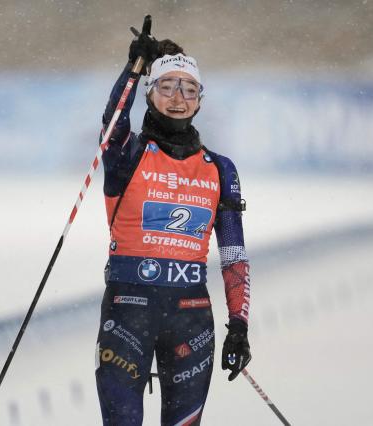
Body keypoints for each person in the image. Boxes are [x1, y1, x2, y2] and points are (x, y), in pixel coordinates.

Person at [94, 27, 251, 426]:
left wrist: (239, 325)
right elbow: (112, 122)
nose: (178, 99)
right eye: (167, 86)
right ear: (149, 92)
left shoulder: (220, 169)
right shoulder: (127, 153)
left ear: (200, 101)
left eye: (189, 90)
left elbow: (233, 254)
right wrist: (133, 68)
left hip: (192, 317)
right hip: (128, 312)